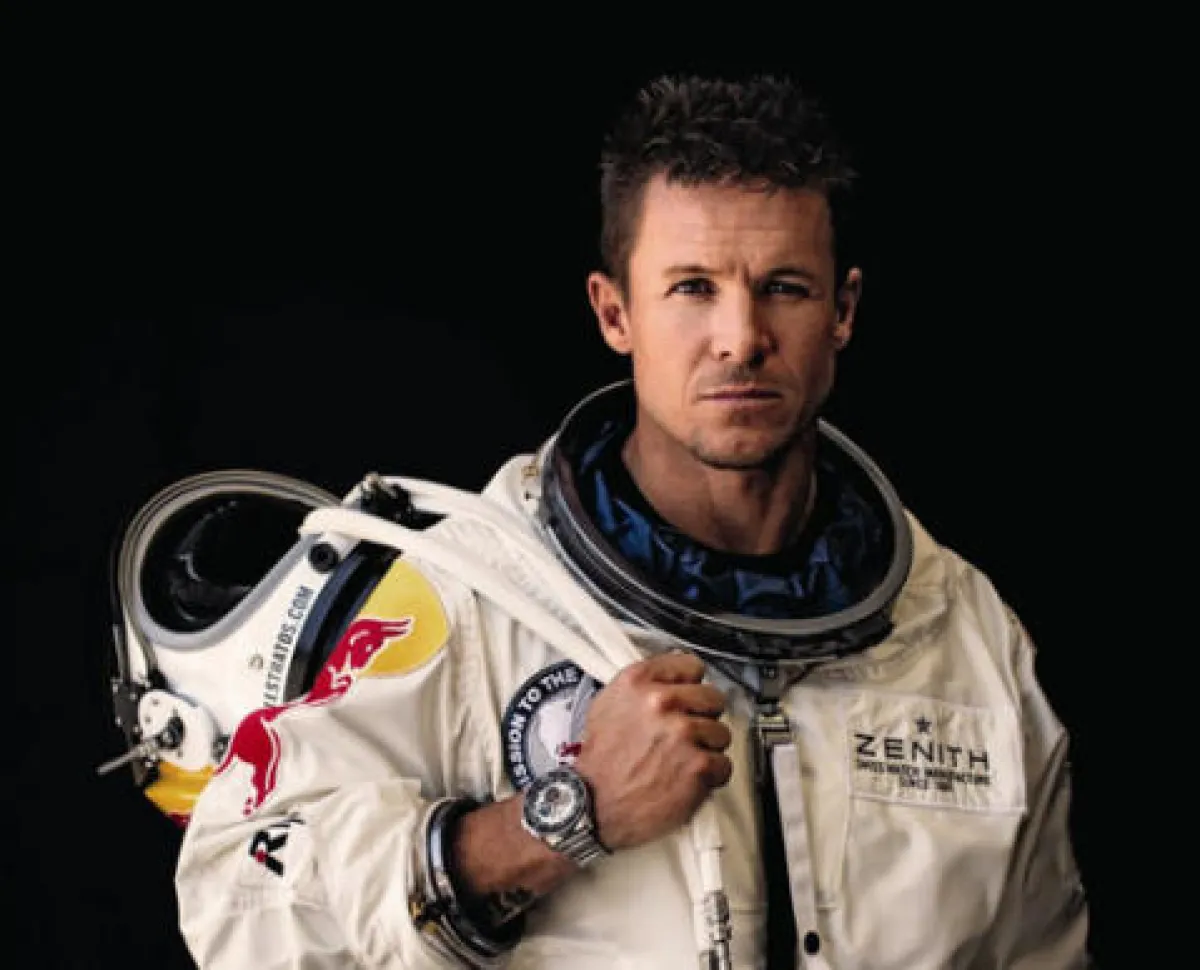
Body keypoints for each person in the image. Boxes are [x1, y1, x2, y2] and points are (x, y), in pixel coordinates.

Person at [103, 74, 1091, 968]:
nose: (741, 338)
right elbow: (238, 891)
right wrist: (560, 817)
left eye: (784, 288)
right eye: (692, 288)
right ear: (614, 312)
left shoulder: (961, 633)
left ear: (844, 310)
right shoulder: (474, 596)